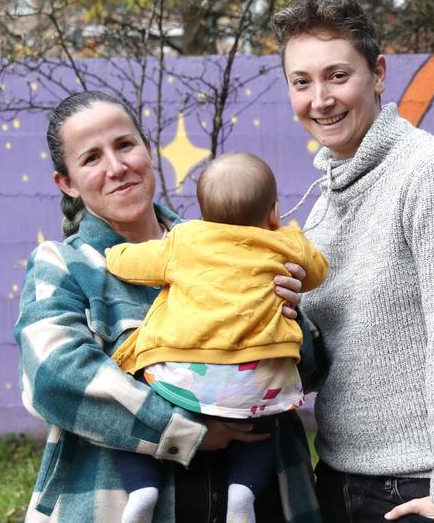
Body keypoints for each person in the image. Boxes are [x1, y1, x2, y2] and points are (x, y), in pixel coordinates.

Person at [270, 0, 434, 523]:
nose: (320, 99)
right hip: (346, 472)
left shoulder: (430, 176)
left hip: (429, 484)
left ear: (378, 74)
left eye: (338, 75)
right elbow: (334, 356)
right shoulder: (326, 200)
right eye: (302, 82)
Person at [14, 91, 322, 522]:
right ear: (67, 183)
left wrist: (292, 321)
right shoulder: (64, 265)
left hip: (267, 497)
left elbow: (309, 371)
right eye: (91, 159)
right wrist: (186, 431)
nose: (117, 167)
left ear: (147, 150)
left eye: (124, 145)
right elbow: (53, 378)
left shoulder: (235, 243)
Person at [105, 152, 328, 523]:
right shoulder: (285, 243)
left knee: (132, 409)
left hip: (184, 378)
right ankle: (242, 497)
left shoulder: (186, 239)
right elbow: (317, 271)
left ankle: (142, 489)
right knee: (262, 424)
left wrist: (113, 254)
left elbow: (135, 262)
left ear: (202, 212)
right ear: (273, 211)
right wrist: (293, 251)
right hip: (258, 375)